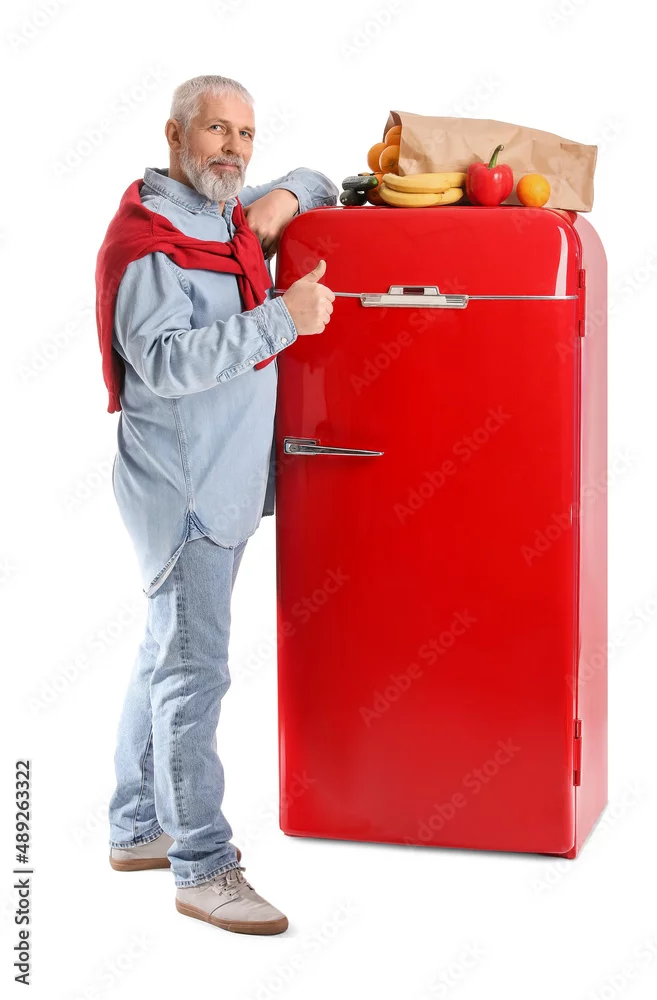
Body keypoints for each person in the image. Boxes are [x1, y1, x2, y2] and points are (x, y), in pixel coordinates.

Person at [100, 74, 337, 935]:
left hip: (223, 483)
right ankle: (203, 867)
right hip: (186, 490)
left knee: (167, 651)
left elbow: (318, 179)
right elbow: (165, 362)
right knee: (194, 673)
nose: (233, 148)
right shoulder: (151, 245)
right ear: (174, 136)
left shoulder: (223, 219)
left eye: (245, 134)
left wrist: (284, 198)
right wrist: (283, 317)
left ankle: (137, 826)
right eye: (215, 130)